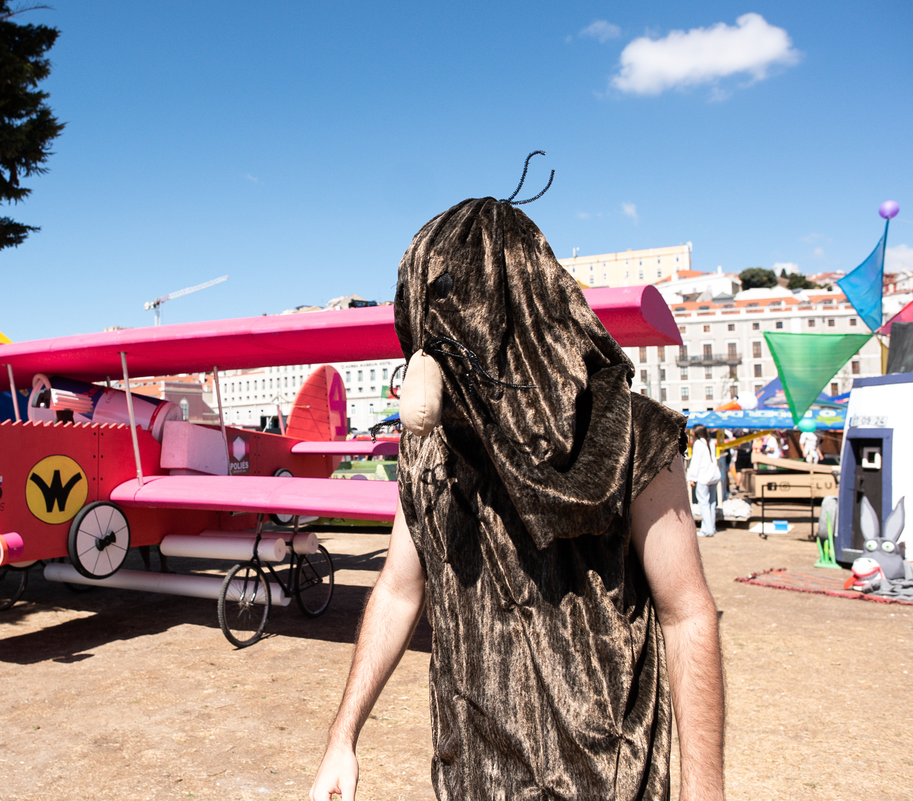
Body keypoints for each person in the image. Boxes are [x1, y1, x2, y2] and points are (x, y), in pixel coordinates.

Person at [310, 197, 724, 800]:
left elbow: (687, 615)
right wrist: (342, 737)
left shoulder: (633, 434)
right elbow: (398, 590)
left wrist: (704, 790)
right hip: (469, 777)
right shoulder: (428, 450)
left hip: (609, 781)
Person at [686, 425, 721, 538]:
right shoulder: (710, 442)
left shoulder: (698, 444)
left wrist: (692, 477)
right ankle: (710, 527)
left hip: (704, 476)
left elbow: (695, 462)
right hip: (714, 475)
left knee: (704, 503)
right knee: (712, 503)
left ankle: (708, 530)